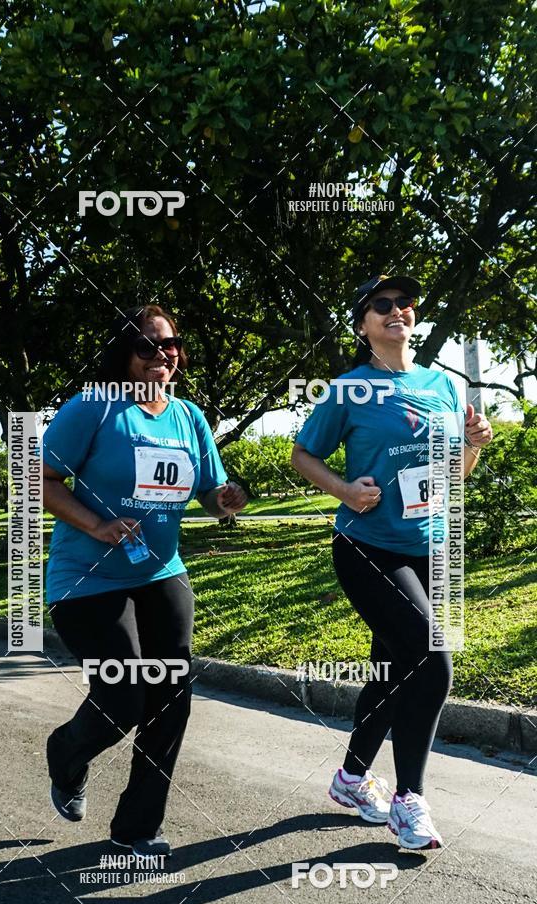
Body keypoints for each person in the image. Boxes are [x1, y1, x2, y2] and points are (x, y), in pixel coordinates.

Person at [291, 275, 493, 849]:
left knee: (392, 671)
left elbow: (454, 475)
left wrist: (473, 443)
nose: (397, 310)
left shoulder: (444, 384)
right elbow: (302, 454)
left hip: (431, 548)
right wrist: (344, 490)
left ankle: (352, 778)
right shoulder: (348, 389)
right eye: (382, 305)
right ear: (362, 325)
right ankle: (409, 801)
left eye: (405, 303)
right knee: (433, 661)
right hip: (369, 546)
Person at [42, 303, 247, 858]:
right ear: (123, 353)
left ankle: (138, 827)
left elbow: (211, 494)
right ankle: (66, 754)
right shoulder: (94, 407)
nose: (162, 354)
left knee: (171, 697)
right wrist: (98, 525)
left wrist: (226, 500)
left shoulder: (188, 417)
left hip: (161, 572)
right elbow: (42, 479)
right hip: (87, 580)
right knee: (123, 695)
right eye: (147, 345)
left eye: (171, 344)